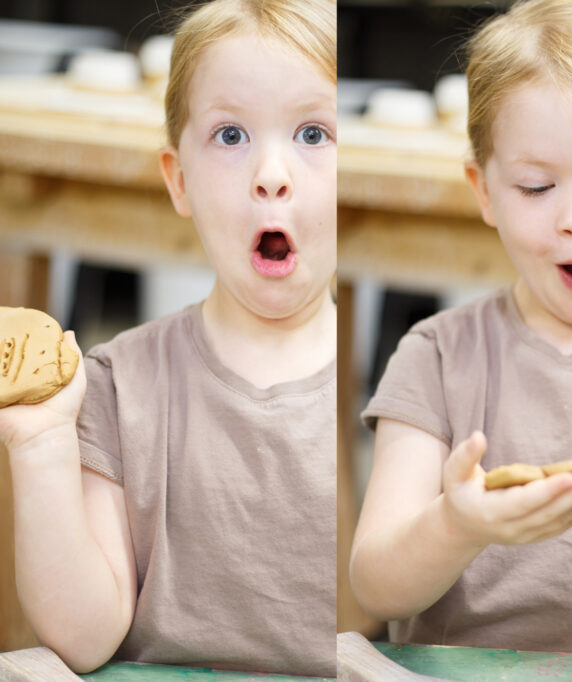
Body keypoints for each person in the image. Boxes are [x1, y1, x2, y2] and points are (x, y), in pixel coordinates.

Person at [0, 0, 337, 674]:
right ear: (179, 180)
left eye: (312, 133)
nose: (272, 174)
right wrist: (40, 447)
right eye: (231, 136)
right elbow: (85, 636)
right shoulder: (120, 385)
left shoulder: (405, 385)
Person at [350, 0, 572, 656]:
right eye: (537, 187)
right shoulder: (437, 357)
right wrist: (456, 526)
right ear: (483, 190)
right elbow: (375, 585)